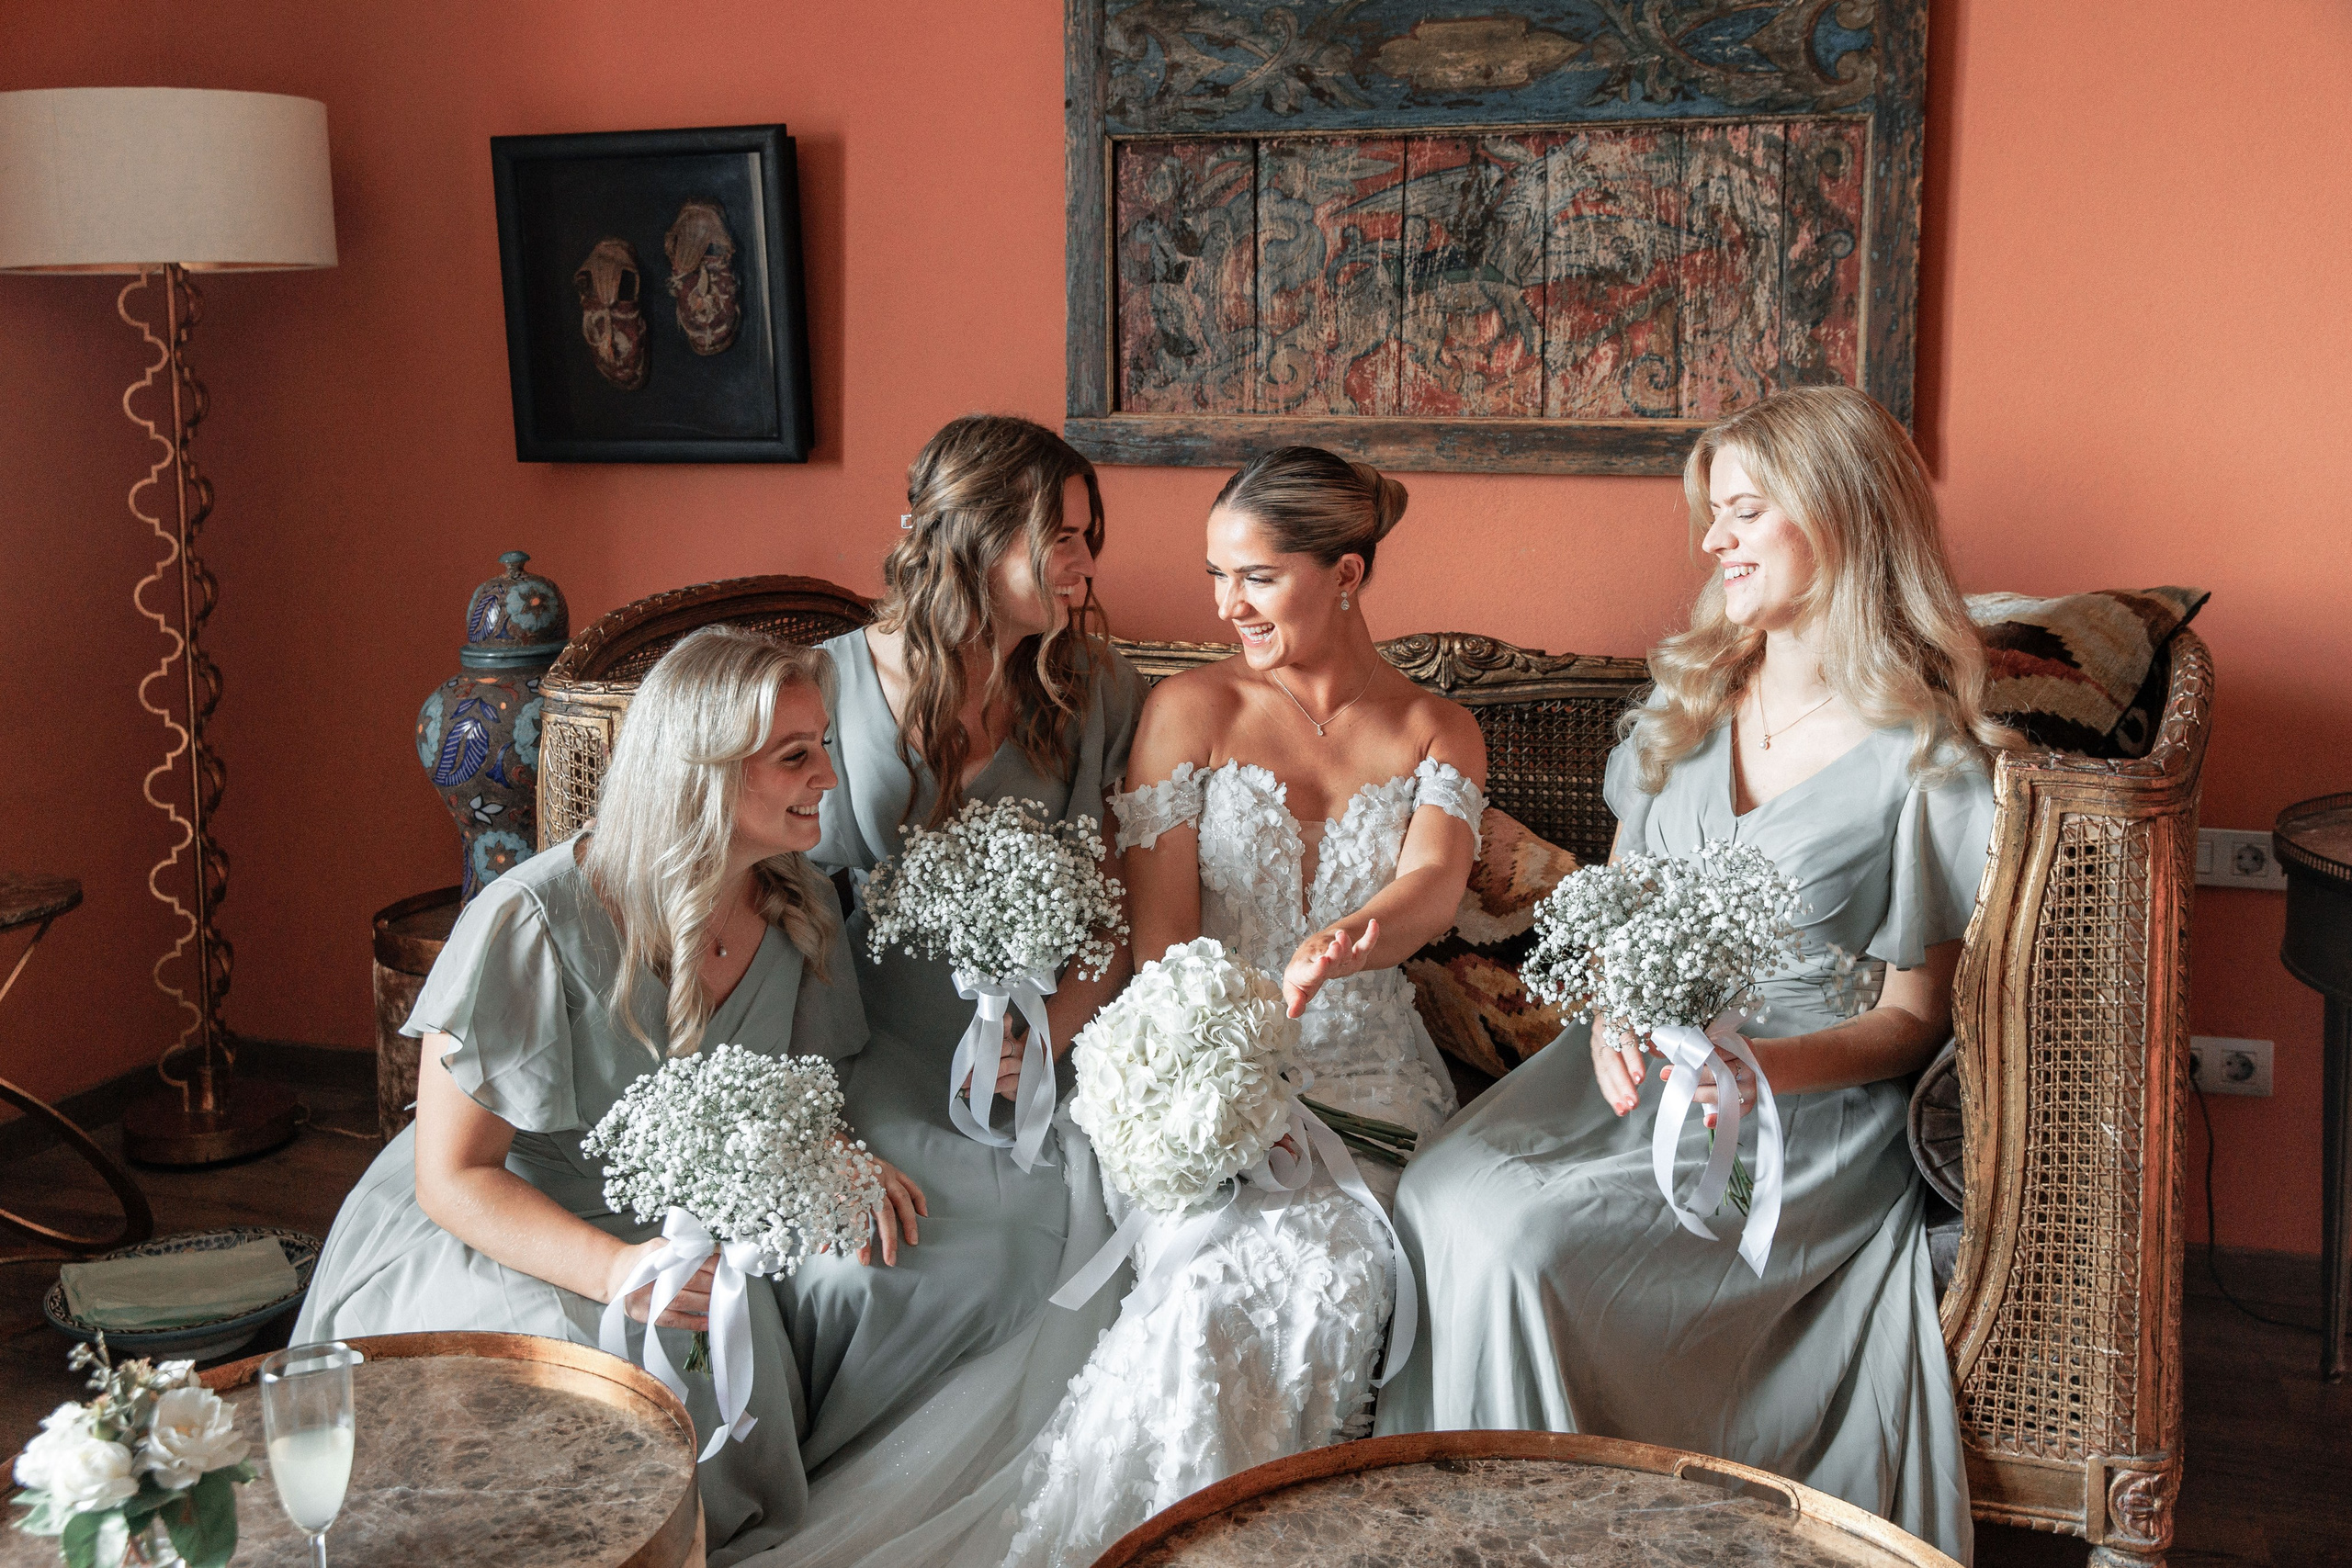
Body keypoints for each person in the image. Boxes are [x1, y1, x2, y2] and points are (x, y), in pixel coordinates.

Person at [1375, 385, 2004, 1564]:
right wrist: (1614, 1010)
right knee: (1440, 1190)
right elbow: (1618, 915)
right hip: (1619, 1075)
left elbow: (1916, 1020)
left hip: (1795, 1113)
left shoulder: (1923, 761)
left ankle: (1560, 1537)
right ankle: (1471, 1535)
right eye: (1711, 514)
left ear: (1842, 518)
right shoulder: (1686, 706)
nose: (1712, 541)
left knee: (1519, 1237)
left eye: (1744, 511)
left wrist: (1753, 1067)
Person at [295, 626, 920, 1565]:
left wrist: (830, 1156)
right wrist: (615, 1274)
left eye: (825, 745)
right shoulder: (532, 919)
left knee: (731, 1352)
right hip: (508, 1224)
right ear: (700, 769)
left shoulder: (800, 905)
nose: (829, 777)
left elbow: (799, 1091)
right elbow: (455, 1178)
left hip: (684, 1226)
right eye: (797, 756)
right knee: (580, 1390)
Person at [998, 446, 1488, 1568]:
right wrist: (1223, 1070)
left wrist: (1368, 931)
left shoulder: (1435, 728)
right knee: (1215, 1293)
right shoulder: (1190, 710)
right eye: (1218, 577)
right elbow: (1160, 944)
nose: (1226, 606)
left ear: (1348, 573)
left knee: (1348, 1274)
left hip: (1371, 1076)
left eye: (1256, 577)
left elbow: (1433, 883)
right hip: (1198, 1070)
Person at [760, 414, 1146, 1565]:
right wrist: (810, 1110)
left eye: (1088, 539)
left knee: (1041, 1234)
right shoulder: (821, 688)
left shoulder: (1096, 690)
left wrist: (1051, 1032)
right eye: (1059, 539)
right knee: (899, 1256)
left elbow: (1118, 917)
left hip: (1037, 1047)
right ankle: (824, 1490)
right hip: (854, 1041)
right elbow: (771, 905)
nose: (1083, 567)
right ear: (977, 538)